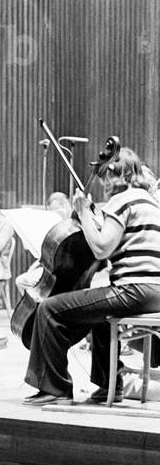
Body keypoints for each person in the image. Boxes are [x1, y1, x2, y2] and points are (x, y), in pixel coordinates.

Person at [24, 147, 160, 405]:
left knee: (49, 309)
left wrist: (84, 212)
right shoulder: (148, 201)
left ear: (113, 175)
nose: (103, 185)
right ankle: (110, 386)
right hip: (156, 291)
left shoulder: (123, 199)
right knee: (99, 317)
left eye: (103, 178)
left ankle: (55, 389)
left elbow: (102, 247)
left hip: (134, 289)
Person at [15, 192, 72, 295]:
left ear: (67, 206)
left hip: (65, 270)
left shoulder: (72, 225)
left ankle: (39, 308)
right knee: (24, 279)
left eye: (58, 212)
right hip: (52, 267)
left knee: (23, 282)